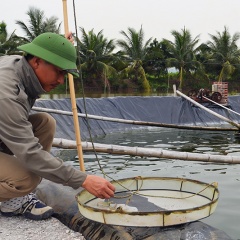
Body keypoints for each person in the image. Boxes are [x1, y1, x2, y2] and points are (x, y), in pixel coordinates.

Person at [0, 32, 115, 220]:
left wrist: (57, 46)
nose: (61, 80)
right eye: (59, 71)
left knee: (45, 122)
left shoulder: (21, 66)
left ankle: (13, 202)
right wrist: (84, 180)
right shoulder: (6, 93)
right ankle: (20, 190)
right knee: (27, 178)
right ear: (36, 62)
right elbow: (30, 154)